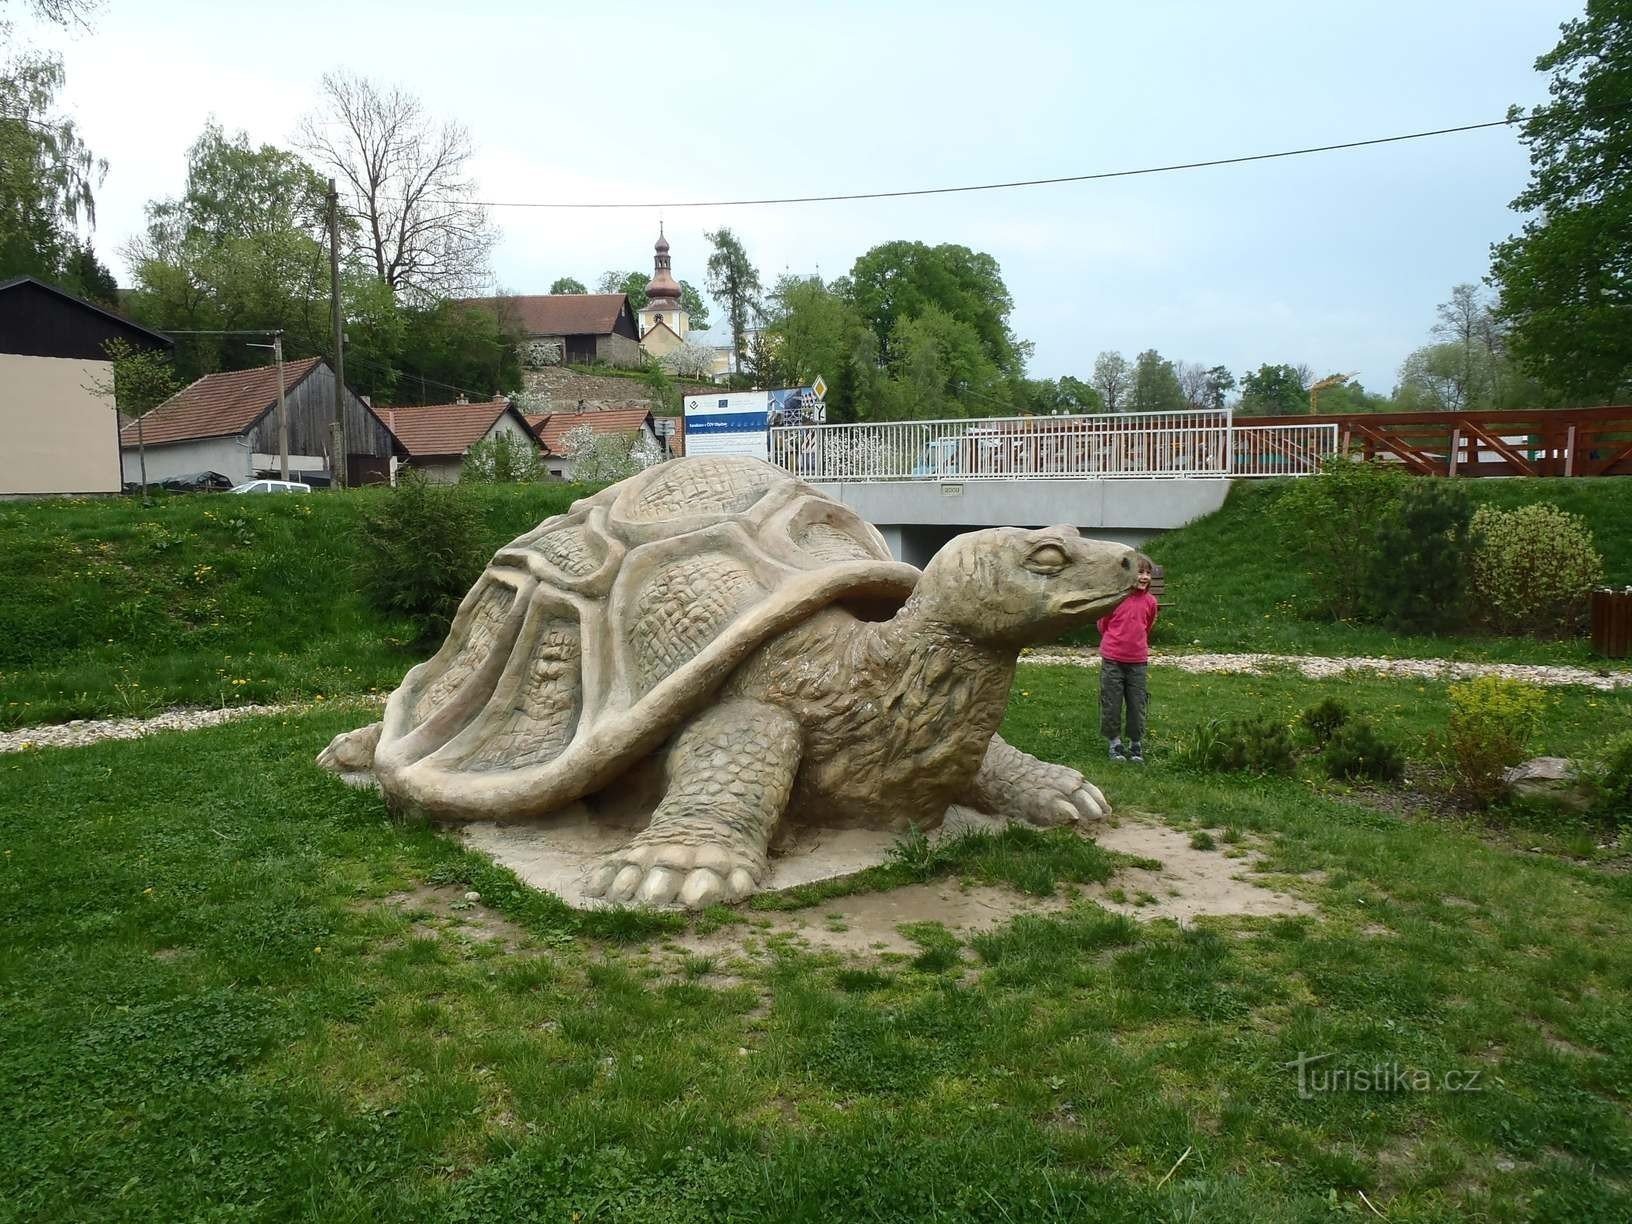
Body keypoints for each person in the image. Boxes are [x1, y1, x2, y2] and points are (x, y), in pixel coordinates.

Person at [1098, 558, 1158, 762]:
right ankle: (1114, 742)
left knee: (1137, 702)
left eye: (1148, 573)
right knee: (1112, 701)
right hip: (1113, 660)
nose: (1144, 577)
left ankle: (1135, 743)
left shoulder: (1151, 602)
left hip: (1138, 661)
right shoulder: (1116, 600)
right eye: (1140, 572)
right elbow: (1103, 624)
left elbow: (1147, 625)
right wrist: (1115, 642)